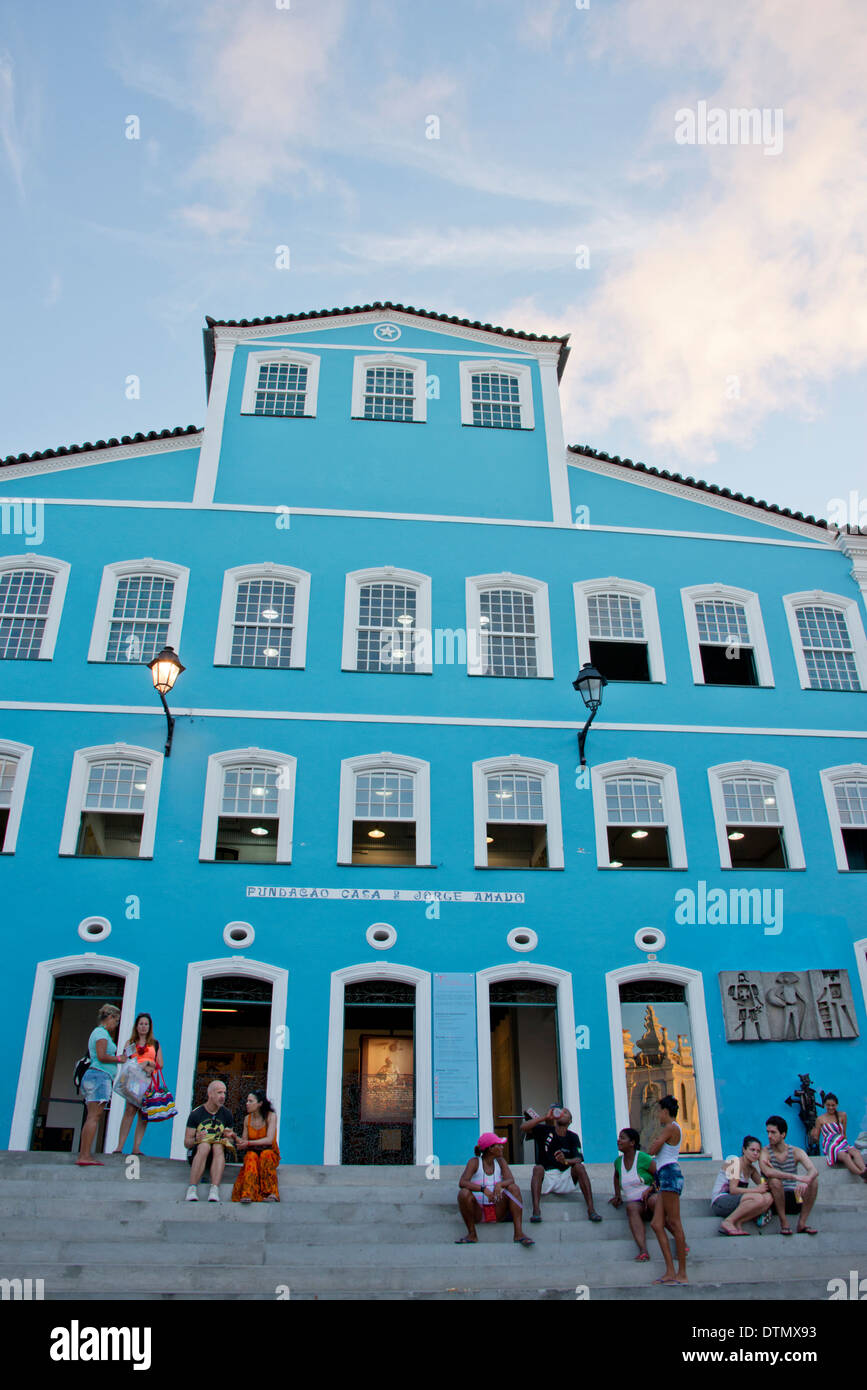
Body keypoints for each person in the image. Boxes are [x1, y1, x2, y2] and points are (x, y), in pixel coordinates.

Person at [521, 1107, 602, 1222]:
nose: (563, 1113)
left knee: (579, 1167)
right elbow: (523, 1128)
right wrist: (544, 1118)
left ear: (570, 1121)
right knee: (538, 1169)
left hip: (565, 1177)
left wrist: (565, 1161)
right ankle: (536, 1211)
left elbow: (578, 1159)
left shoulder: (573, 1137)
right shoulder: (546, 1130)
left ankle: (591, 1210)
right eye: (561, 1111)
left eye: (566, 1112)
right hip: (547, 1177)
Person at [456, 1132, 534, 1246]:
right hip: (477, 1211)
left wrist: (500, 1185)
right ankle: (472, 1234)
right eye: (499, 1145)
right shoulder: (474, 1162)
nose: (502, 1147)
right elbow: (462, 1182)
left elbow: (511, 1180)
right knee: (463, 1193)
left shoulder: (501, 1161)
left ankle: (519, 1234)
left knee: (514, 1188)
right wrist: (483, 1189)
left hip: (497, 1210)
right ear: (490, 1149)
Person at [647, 1095, 688, 1285]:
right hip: (664, 1176)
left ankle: (682, 1273)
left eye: (659, 1111)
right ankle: (670, 1271)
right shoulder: (670, 1128)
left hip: (670, 1174)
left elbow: (653, 1149)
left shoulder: (671, 1127)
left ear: (665, 1111)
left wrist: (654, 1141)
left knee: (674, 1222)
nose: (657, 1115)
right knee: (657, 1223)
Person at [76, 1003, 121, 1167]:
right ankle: (85, 1155)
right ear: (109, 1017)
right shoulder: (101, 1033)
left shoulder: (100, 1033)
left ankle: (85, 1153)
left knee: (92, 1116)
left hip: (96, 1076)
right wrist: (119, 1058)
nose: (116, 1025)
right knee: (94, 1117)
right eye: (116, 1021)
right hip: (99, 1076)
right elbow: (101, 1056)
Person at [112, 1012, 163, 1157]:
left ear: (149, 1026)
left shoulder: (155, 1044)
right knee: (129, 1111)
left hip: (148, 1082)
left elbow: (160, 1064)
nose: (143, 1027)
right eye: (141, 1024)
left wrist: (149, 1064)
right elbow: (124, 1060)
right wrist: (138, 1065)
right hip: (133, 1082)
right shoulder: (131, 1043)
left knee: (143, 1114)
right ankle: (119, 1146)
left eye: (146, 1024)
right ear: (137, 1026)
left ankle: (136, 1147)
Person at [759, 1115, 819, 1235]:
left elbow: (813, 1170)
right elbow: (767, 1172)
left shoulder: (796, 1151)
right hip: (774, 1201)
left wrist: (806, 1180)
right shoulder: (765, 1152)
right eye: (768, 1132)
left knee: (814, 1181)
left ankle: (802, 1223)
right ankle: (784, 1223)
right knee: (775, 1181)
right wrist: (795, 1177)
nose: (769, 1136)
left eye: (773, 1132)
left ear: (783, 1134)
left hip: (795, 1197)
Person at [609, 1127, 658, 1260]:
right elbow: (616, 1176)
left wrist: (651, 1189)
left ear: (632, 1142)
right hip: (637, 1205)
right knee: (631, 1208)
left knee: (655, 1201)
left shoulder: (643, 1158)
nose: (618, 1140)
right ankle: (643, 1250)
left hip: (651, 1198)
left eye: (623, 1138)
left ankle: (680, 1240)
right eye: (619, 1137)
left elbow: (659, 1175)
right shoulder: (618, 1162)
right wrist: (617, 1194)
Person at [184, 1080, 237, 1203]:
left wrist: (228, 1138)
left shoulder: (227, 1114)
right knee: (204, 1146)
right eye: (219, 1093)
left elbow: (230, 1142)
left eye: (224, 1093)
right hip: (198, 1153)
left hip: (218, 1155)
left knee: (218, 1146)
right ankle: (192, 1188)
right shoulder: (196, 1114)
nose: (223, 1096)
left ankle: (214, 1189)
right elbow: (187, 1143)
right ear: (210, 1094)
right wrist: (196, 1139)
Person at [710, 1136, 773, 1235]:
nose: (755, 1153)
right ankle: (728, 1221)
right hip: (720, 1202)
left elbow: (765, 1186)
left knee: (768, 1197)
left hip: (736, 1202)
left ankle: (739, 1221)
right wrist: (757, 1190)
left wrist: (763, 1165)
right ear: (744, 1150)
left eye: (758, 1151)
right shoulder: (735, 1162)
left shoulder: (751, 1169)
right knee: (758, 1198)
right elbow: (733, 1190)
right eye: (752, 1150)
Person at [232, 1091, 281, 1203]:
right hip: (253, 1152)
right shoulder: (247, 1119)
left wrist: (248, 1143)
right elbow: (244, 1141)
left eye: (251, 1101)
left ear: (260, 1103)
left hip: (270, 1152)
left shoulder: (271, 1116)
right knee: (250, 1156)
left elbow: (269, 1140)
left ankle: (271, 1193)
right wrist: (234, 1136)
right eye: (247, 1101)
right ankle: (248, 1193)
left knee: (266, 1155)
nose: (247, 1103)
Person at [810, 1094, 867, 1182]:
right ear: (825, 1105)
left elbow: (843, 1133)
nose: (831, 1107)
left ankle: (864, 1170)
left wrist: (846, 1146)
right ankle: (862, 1174)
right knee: (845, 1156)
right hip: (830, 1145)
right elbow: (816, 1139)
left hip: (841, 1142)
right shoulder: (820, 1119)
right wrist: (813, 1135)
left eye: (833, 1105)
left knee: (855, 1152)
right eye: (828, 1105)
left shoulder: (842, 1115)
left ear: (837, 1105)